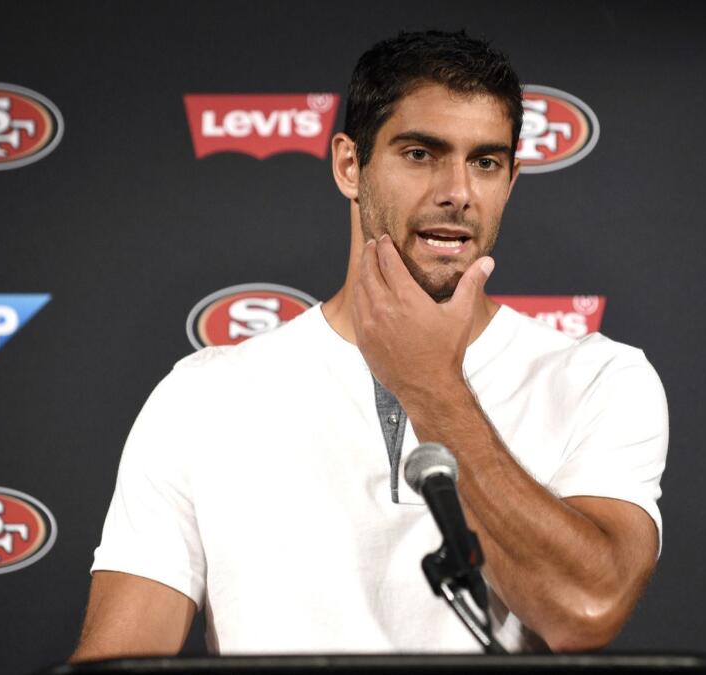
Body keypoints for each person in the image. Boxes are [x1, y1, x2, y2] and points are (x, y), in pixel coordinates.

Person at [71, 29, 667, 660]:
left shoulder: (601, 377)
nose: (457, 192)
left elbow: (587, 610)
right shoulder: (204, 394)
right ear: (350, 165)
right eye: (420, 154)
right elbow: (121, 659)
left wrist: (432, 386)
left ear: (511, 180)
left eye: (485, 162)